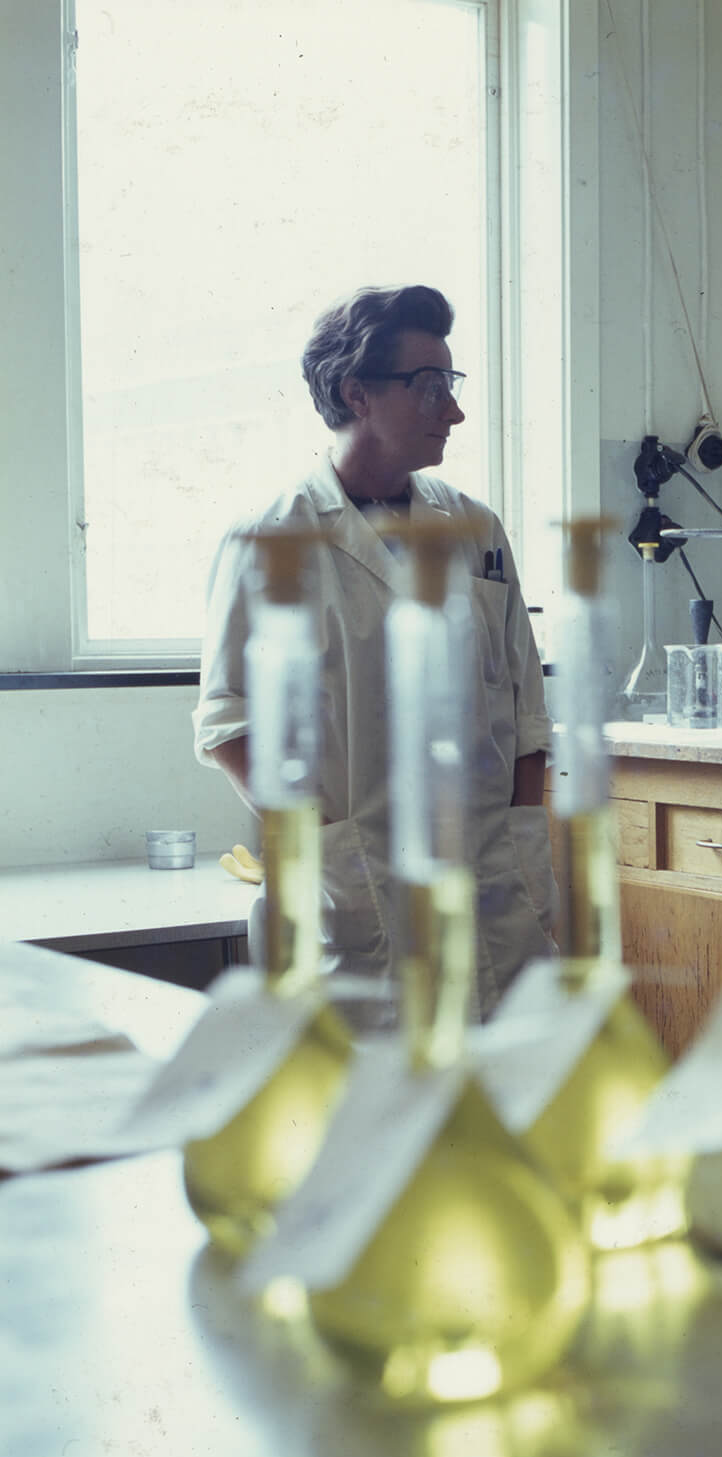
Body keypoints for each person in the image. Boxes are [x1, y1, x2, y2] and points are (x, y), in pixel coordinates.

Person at [193, 284, 557, 1015]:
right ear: (356, 393)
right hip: (357, 895)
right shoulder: (272, 537)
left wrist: (520, 838)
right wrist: (332, 851)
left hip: (492, 890)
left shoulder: (476, 528)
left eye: (451, 385)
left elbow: (527, 715)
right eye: (429, 387)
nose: (453, 411)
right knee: (372, 1080)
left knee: (500, 1075)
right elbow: (230, 723)